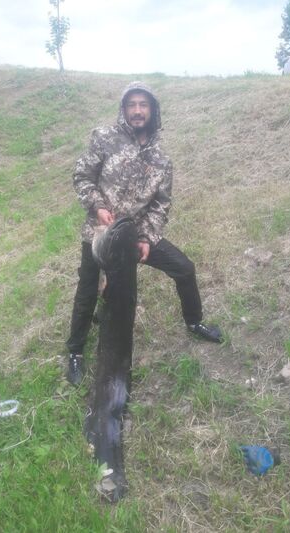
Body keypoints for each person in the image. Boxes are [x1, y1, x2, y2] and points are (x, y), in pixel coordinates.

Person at [66, 81, 222, 385]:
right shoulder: (104, 138)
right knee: (87, 289)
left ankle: (194, 322)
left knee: (184, 268)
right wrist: (98, 206)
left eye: (143, 105)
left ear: (152, 110)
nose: (137, 111)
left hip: (137, 235)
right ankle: (75, 352)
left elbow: (161, 205)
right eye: (132, 104)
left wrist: (146, 238)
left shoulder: (161, 160)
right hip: (101, 232)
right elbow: (82, 176)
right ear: (124, 108)